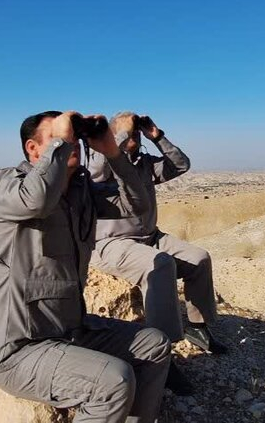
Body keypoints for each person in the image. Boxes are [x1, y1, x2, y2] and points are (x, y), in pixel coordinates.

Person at [0, 110, 171, 423]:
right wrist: (61, 141)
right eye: (58, 137)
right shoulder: (9, 186)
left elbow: (138, 204)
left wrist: (112, 152)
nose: (71, 143)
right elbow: (37, 200)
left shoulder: (82, 193)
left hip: (72, 330)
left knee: (154, 344)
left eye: (73, 138)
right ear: (33, 149)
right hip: (20, 347)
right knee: (113, 380)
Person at [87, 113, 227, 394]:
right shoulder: (98, 160)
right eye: (129, 133)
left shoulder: (144, 163)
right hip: (111, 243)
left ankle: (197, 326)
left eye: (136, 133)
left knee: (199, 258)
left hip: (151, 237)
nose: (134, 137)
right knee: (160, 265)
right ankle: (162, 352)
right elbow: (98, 172)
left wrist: (157, 136)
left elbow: (180, 165)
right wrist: (120, 133)